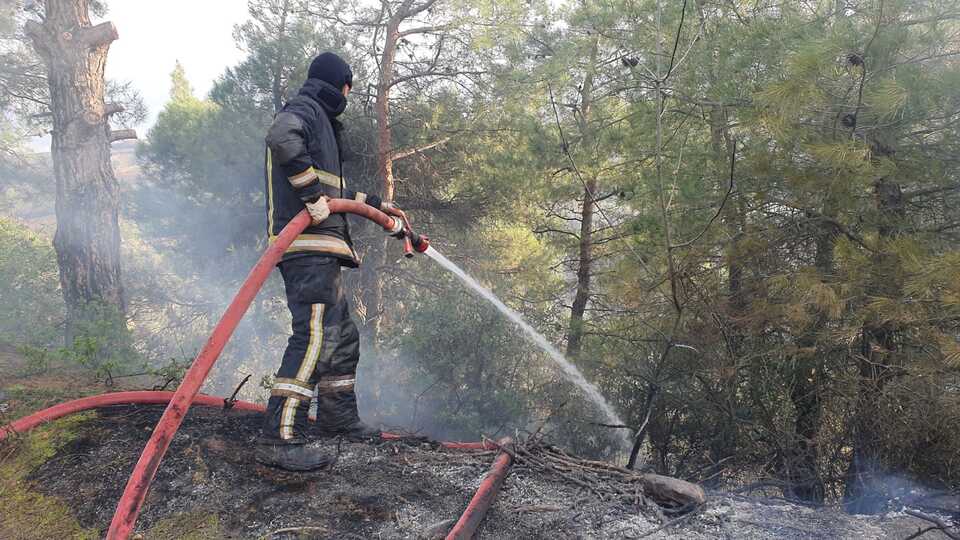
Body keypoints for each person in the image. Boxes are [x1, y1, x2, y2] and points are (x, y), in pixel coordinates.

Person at [256, 52, 397, 471]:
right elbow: (282, 138)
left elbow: (336, 191)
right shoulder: (304, 110)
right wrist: (311, 196)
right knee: (315, 335)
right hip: (306, 247)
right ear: (342, 86)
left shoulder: (321, 124)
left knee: (341, 336)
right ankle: (279, 437)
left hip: (322, 248)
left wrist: (379, 206)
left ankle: (337, 417)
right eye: (349, 89)